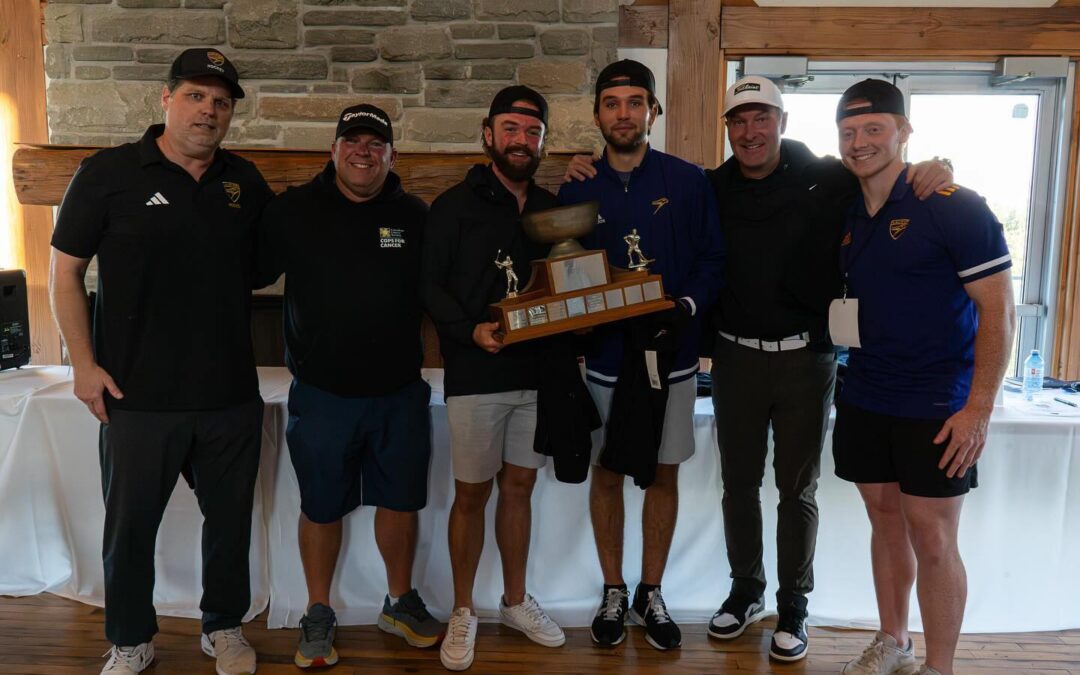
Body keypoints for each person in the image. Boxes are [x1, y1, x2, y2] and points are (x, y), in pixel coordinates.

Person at [701, 76, 953, 662]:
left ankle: (793, 605)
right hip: (734, 357)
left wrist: (936, 165)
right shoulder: (711, 187)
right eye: (739, 120)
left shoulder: (827, 175)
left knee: (798, 489)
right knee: (738, 484)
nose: (750, 131)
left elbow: (889, 179)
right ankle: (746, 591)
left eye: (762, 118)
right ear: (728, 128)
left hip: (806, 360)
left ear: (782, 122)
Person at [49, 48, 272, 675]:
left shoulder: (244, 182)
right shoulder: (107, 173)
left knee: (229, 524)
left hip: (229, 393)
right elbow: (64, 273)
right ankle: (129, 638)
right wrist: (82, 365)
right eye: (196, 96)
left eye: (221, 101)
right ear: (166, 99)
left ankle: (223, 627)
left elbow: (268, 262)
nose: (209, 110)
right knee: (130, 529)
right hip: (136, 395)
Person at [831, 79, 1015, 675]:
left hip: (937, 402)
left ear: (904, 131)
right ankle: (895, 642)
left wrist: (978, 408)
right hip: (865, 394)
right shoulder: (847, 205)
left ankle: (940, 666)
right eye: (849, 132)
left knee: (933, 537)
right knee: (885, 522)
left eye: (874, 129)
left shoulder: (953, 204)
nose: (860, 142)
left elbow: (999, 310)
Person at [257, 103, 441, 669]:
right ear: (333, 150)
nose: (364, 151)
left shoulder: (414, 215)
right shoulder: (294, 210)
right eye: (353, 141)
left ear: (392, 155)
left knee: (401, 501)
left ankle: (399, 601)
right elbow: (248, 271)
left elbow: (439, 293)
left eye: (375, 143)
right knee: (321, 505)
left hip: (398, 392)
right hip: (322, 393)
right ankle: (318, 611)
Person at [558, 59, 726, 652]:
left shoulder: (688, 180)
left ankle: (650, 591)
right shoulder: (577, 187)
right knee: (606, 472)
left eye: (635, 102)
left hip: (670, 356)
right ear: (597, 115)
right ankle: (613, 589)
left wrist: (685, 306)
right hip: (604, 358)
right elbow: (564, 271)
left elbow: (713, 259)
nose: (623, 113)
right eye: (612, 103)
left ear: (653, 110)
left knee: (663, 472)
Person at [422, 85, 566, 672]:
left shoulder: (552, 207)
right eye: (511, 129)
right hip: (476, 374)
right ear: (488, 134)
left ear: (542, 142)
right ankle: (463, 609)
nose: (521, 140)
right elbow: (430, 285)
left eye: (532, 132)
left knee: (520, 488)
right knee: (472, 494)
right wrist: (468, 332)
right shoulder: (453, 206)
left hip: (537, 373)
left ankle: (513, 600)